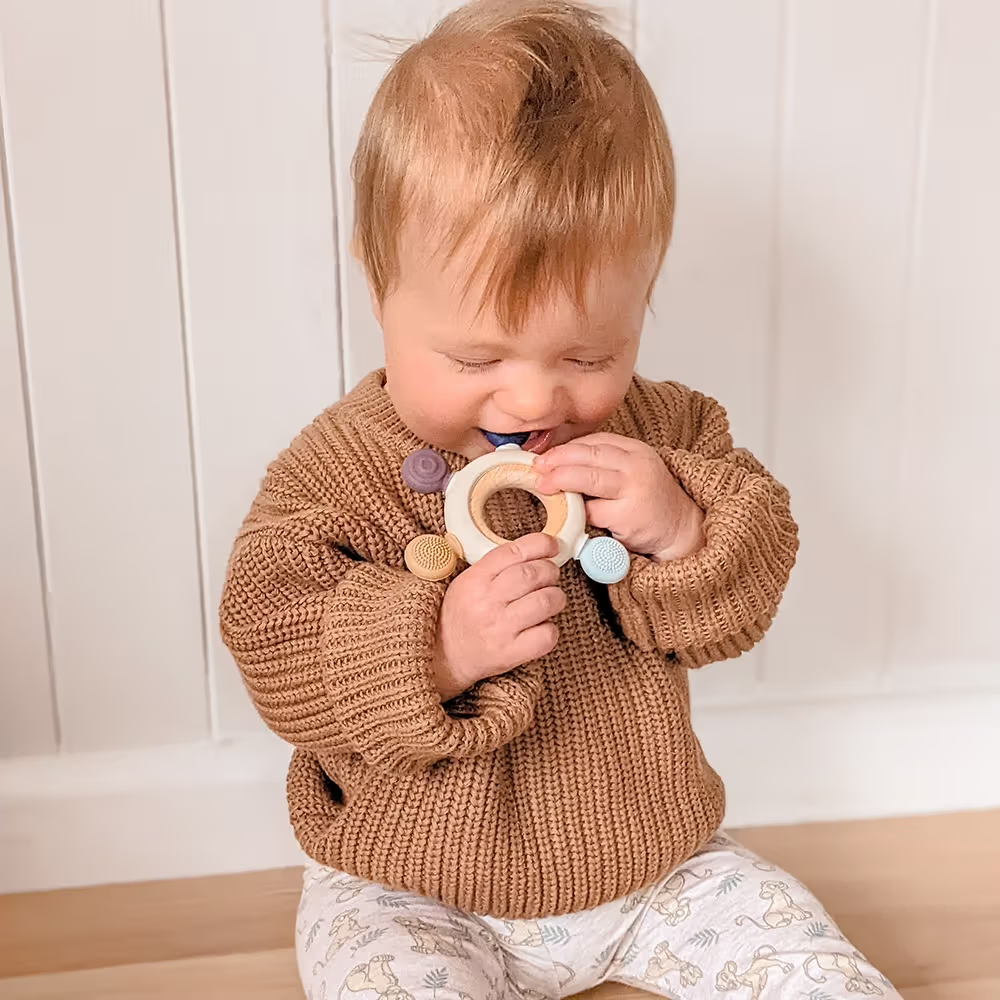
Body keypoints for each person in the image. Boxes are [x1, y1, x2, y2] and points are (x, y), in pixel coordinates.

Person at [219, 2, 900, 996]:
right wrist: (436, 645)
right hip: (410, 885)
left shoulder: (662, 434)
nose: (536, 398)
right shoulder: (332, 474)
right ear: (378, 289)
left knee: (814, 968)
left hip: (651, 866)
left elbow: (747, 583)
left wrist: (682, 527)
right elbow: (268, 635)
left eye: (590, 354)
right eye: (475, 356)